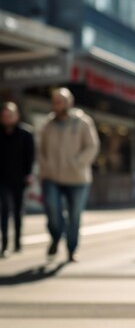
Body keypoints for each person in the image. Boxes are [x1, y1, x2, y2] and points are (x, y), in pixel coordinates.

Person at [38, 87, 99, 262]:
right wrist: (45, 166)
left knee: (74, 216)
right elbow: (40, 149)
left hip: (77, 178)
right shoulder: (47, 124)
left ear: (69, 102)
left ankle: (72, 249)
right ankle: (56, 236)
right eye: (55, 102)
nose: (57, 105)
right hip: (52, 176)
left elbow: (92, 146)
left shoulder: (83, 122)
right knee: (52, 209)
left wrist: (77, 163)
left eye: (60, 101)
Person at [0, 102, 35, 257]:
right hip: (2, 179)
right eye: (5, 115)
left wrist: (29, 174)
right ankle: (5, 244)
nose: (7, 118)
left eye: (10, 115)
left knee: (18, 211)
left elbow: (31, 156)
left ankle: (18, 243)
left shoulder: (26, 133)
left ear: (17, 116)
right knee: (4, 211)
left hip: (19, 179)